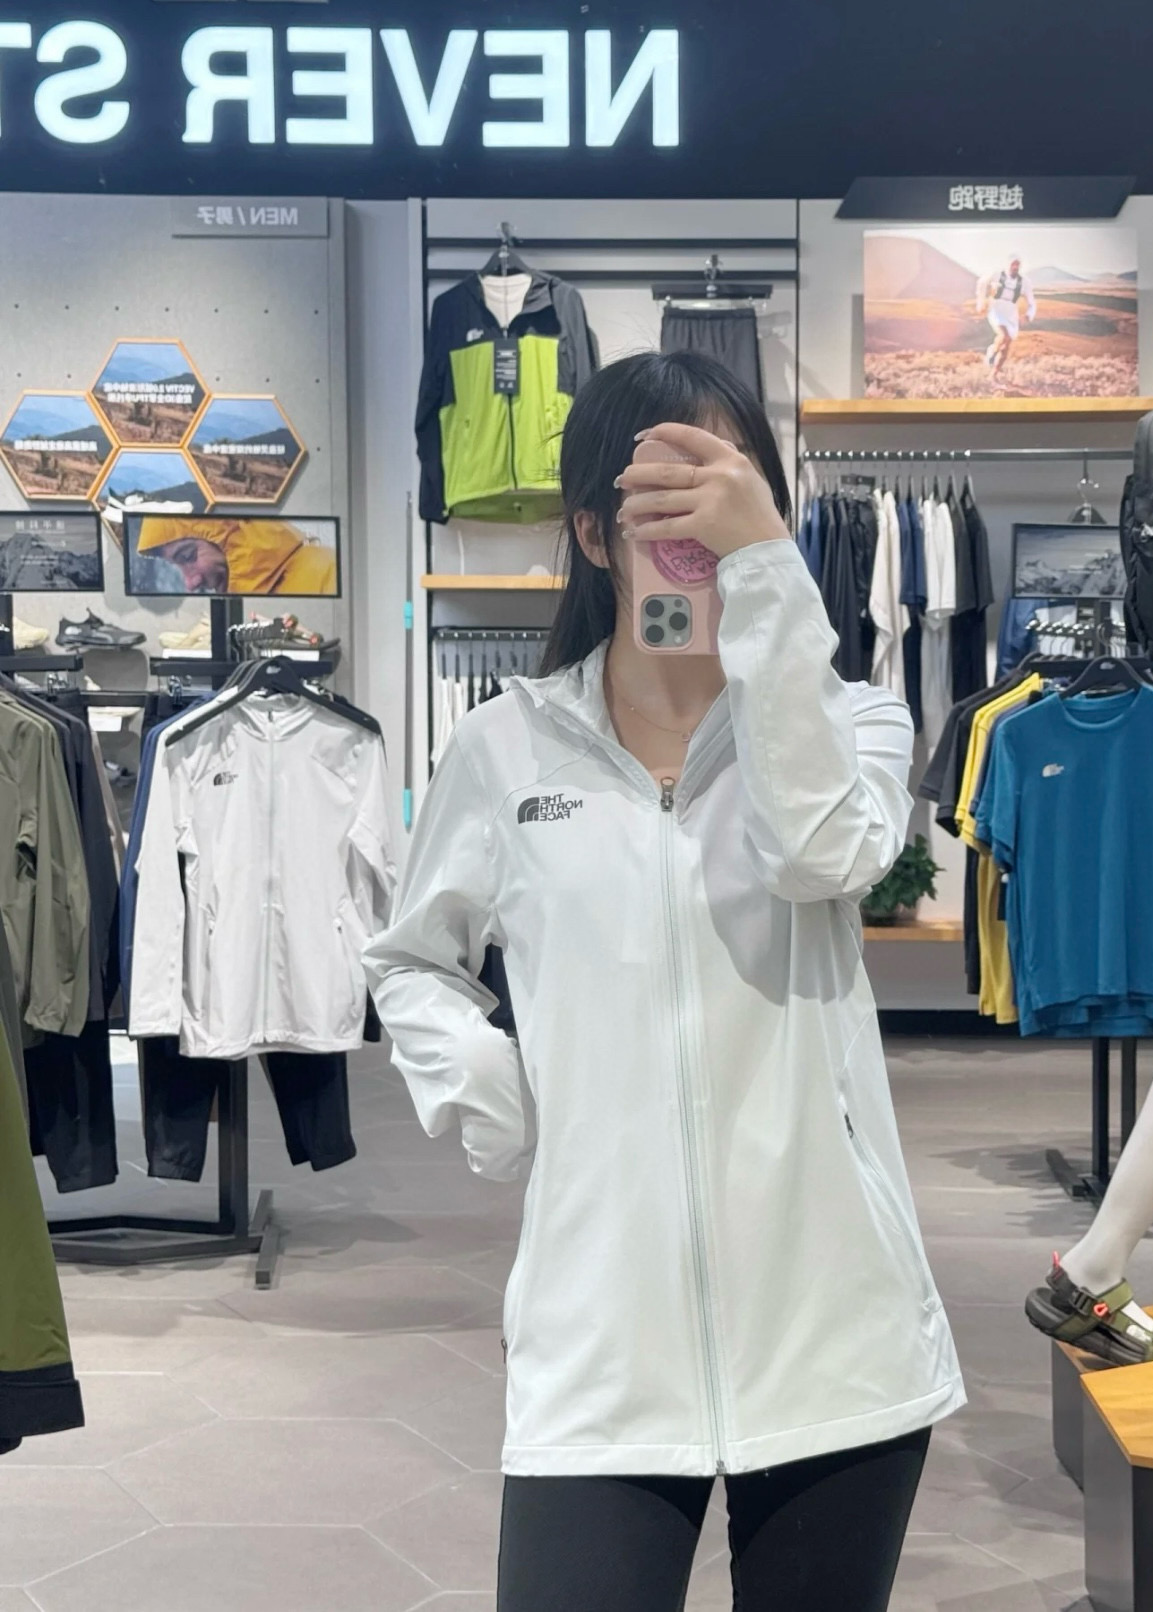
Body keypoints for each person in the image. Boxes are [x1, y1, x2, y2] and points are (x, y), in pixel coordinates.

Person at [365, 352, 962, 1611]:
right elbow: (412, 957)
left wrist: (772, 583)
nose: (701, 517)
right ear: (596, 531)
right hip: (600, 1342)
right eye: (666, 491)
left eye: (731, 483)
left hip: (834, 1334)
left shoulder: (854, 722)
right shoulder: (504, 747)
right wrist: (487, 1084)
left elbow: (819, 855)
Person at [133, 516, 337, 595]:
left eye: (188, 557)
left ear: (226, 533)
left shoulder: (328, 573)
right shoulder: (239, 603)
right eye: (176, 565)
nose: (190, 583)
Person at [975, 254, 1037, 377]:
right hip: (996, 309)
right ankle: (992, 353)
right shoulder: (997, 275)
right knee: (1005, 336)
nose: (1015, 267)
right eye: (1013, 264)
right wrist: (981, 303)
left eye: (1017, 265)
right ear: (1008, 265)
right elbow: (982, 283)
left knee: (1006, 345)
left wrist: (1029, 315)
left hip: (1011, 313)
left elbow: (1031, 301)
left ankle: (994, 373)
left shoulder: (1024, 282)